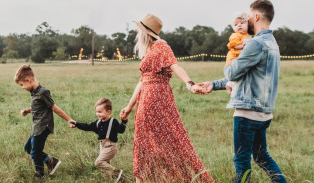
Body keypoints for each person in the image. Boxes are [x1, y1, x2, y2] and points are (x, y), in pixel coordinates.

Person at [198, 0, 287, 182]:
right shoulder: (273, 44)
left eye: (248, 17)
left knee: (241, 160)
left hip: (247, 113)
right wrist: (214, 85)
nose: (246, 21)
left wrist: (227, 62)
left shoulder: (255, 44)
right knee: (262, 157)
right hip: (264, 113)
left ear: (256, 16)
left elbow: (233, 72)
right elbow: (245, 77)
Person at [119, 14, 213, 183]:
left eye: (138, 30)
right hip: (146, 99)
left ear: (145, 32)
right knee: (145, 141)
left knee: (168, 140)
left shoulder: (161, 46)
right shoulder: (150, 50)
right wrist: (129, 106)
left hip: (156, 99)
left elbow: (175, 65)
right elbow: (142, 81)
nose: (136, 33)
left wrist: (190, 84)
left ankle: (172, 177)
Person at [14, 65, 75, 178]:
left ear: (28, 80)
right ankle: (51, 162)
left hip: (43, 126)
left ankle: (40, 174)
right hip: (37, 127)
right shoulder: (34, 92)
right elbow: (38, 106)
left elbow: (54, 107)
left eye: (22, 85)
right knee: (28, 148)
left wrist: (69, 119)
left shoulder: (43, 92)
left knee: (35, 152)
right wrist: (27, 111)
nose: (22, 87)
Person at [71, 98, 127, 182]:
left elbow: (121, 130)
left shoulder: (113, 122)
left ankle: (116, 172)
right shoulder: (98, 123)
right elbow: (87, 127)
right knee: (105, 166)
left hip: (111, 146)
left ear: (108, 112)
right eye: (97, 112)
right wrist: (76, 124)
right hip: (102, 146)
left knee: (99, 162)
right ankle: (110, 180)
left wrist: (124, 121)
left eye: (100, 112)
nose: (98, 114)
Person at [225, 12, 251, 96]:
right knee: (235, 68)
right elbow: (232, 45)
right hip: (234, 56)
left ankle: (230, 84)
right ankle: (230, 84)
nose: (239, 25)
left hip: (241, 56)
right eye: (236, 25)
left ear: (248, 25)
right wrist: (242, 46)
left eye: (242, 23)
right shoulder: (235, 35)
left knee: (240, 72)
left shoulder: (248, 36)